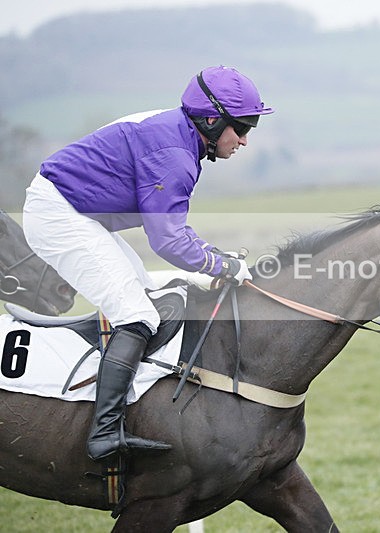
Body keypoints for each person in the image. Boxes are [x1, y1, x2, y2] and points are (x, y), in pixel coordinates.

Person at [22, 65, 272, 461]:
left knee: (151, 301)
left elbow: (173, 230)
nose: (243, 140)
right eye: (241, 128)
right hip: (61, 215)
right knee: (137, 316)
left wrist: (215, 257)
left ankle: (130, 405)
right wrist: (221, 267)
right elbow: (168, 241)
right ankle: (103, 433)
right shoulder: (175, 156)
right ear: (211, 119)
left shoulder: (180, 133)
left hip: (79, 213)